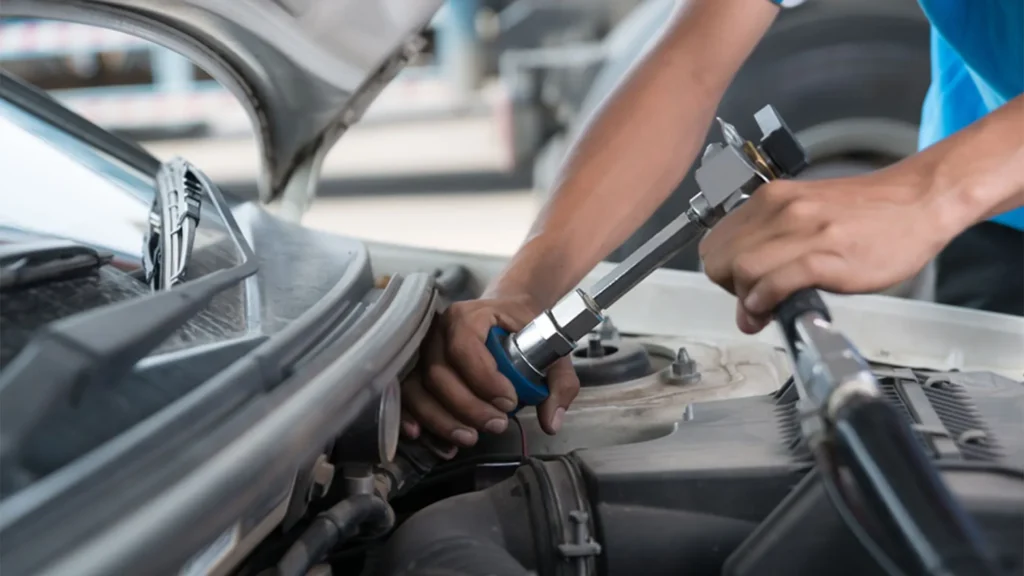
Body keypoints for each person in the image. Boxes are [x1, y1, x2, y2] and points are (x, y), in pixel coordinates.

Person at [400, 0, 1024, 448]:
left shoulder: (943, 191)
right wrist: (529, 287)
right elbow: (693, 62)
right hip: (999, 222)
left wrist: (930, 192)